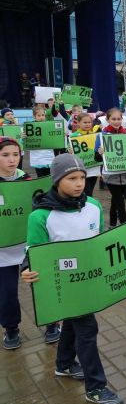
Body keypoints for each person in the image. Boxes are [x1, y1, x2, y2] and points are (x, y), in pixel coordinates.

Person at [21, 154, 124, 404]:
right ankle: (96, 387)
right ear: (57, 181)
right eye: (71, 178)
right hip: (63, 285)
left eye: (81, 177)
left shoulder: (94, 205)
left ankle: (64, 364)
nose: (79, 183)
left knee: (75, 323)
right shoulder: (40, 217)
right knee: (87, 330)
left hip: (88, 281)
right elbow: (33, 250)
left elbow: (98, 239)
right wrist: (27, 269)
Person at [0, 137, 60, 349]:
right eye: (5, 155)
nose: (11, 159)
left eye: (15, 154)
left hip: (30, 246)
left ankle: (52, 323)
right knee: (6, 294)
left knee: (42, 285)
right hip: (3, 252)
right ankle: (11, 328)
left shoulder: (28, 182)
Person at [94, 108, 126, 227]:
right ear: (107, 119)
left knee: (115, 200)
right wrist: (99, 153)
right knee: (120, 201)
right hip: (111, 174)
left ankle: (112, 224)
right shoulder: (102, 135)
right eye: (113, 119)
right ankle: (125, 225)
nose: (116, 121)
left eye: (119, 119)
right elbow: (96, 158)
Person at [69, 113, 102, 197]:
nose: (87, 124)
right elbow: (68, 150)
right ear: (79, 123)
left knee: (90, 189)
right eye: (85, 122)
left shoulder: (95, 135)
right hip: (82, 168)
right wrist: (69, 151)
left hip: (94, 167)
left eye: (89, 122)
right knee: (86, 191)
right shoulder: (74, 136)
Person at [27, 106, 55, 178]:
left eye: (43, 115)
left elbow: (55, 139)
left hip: (49, 157)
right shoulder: (29, 127)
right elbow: (26, 144)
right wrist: (24, 138)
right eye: (39, 115)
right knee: (41, 178)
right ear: (34, 116)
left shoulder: (49, 126)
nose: (41, 117)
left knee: (50, 178)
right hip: (37, 159)